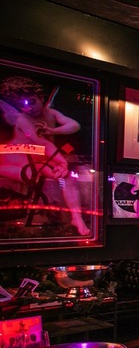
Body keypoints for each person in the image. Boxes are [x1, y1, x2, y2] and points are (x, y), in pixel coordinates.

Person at [0, 75, 90, 236]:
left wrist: (54, 131)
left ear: (41, 97)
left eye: (32, 102)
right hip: (19, 161)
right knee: (49, 171)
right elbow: (41, 143)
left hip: (43, 160)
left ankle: (76, 218)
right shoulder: (23, 119)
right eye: (23, 105)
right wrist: (61, 162)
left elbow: (74, 125)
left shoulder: (51, 113)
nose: (29, 108)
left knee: (66, 177)